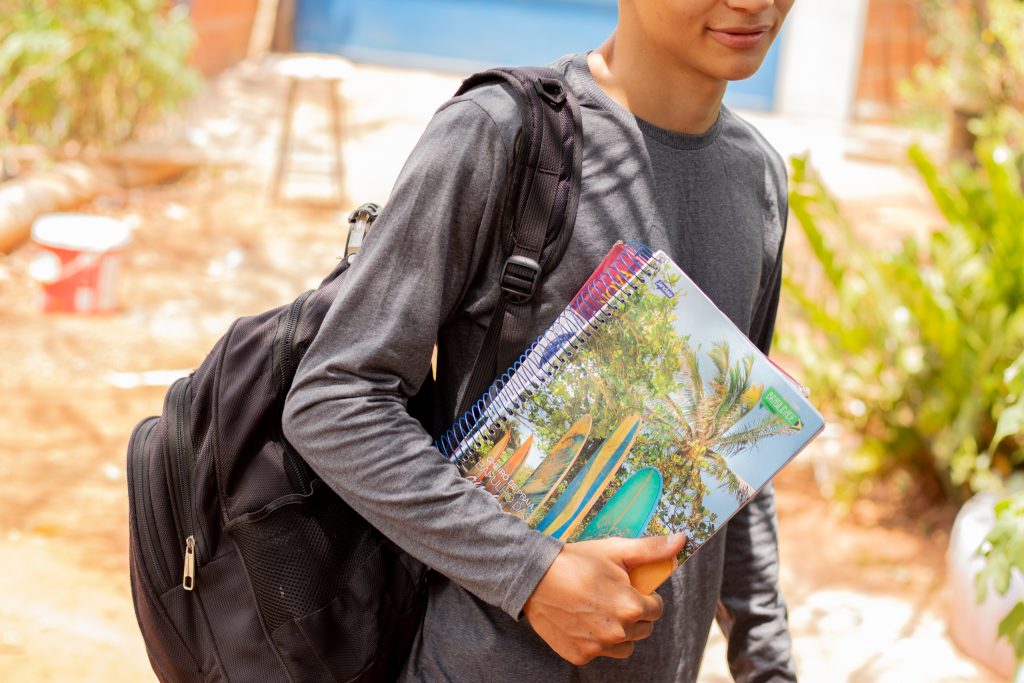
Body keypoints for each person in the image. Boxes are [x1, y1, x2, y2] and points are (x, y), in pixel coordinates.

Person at [283, 0, 798, 680]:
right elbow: (334, 396)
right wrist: (533, 572)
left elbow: (731, 458)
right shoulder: (506, 135)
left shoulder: (758, 179)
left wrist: (767, 659)